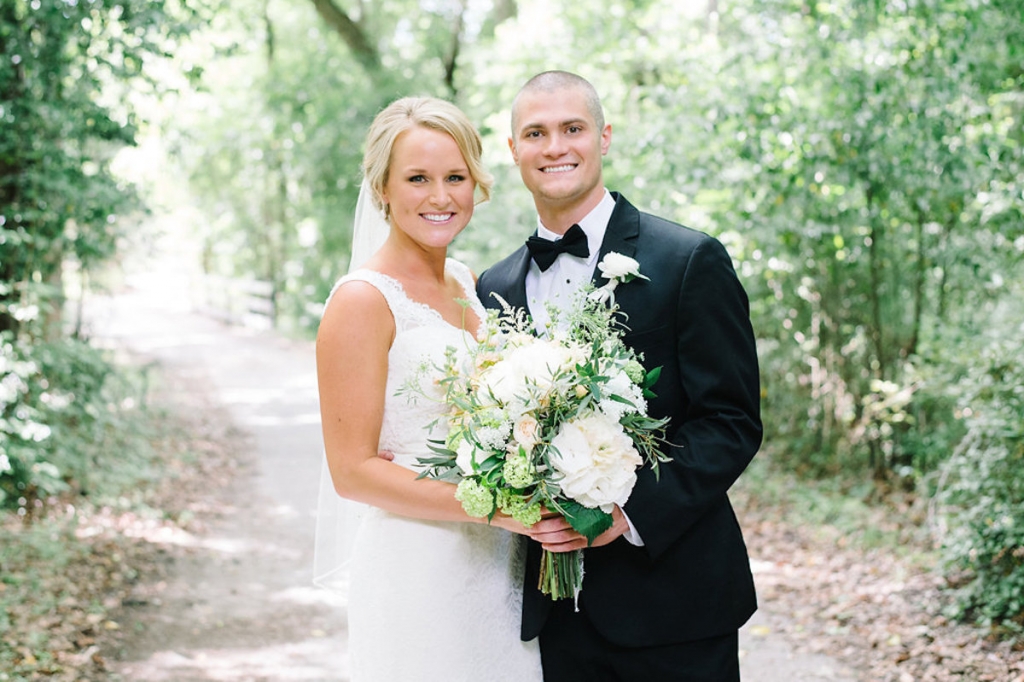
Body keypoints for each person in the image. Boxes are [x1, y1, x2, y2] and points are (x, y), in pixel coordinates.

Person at [477, 71, 763, 681]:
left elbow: (732, 422)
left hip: (676, 607)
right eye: (536, 133)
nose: (555, 147)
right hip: (555, 619)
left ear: (603, 137)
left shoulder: (688, 260)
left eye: (572, 128)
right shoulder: (493, 287)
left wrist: (626, 517)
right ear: (513, 150)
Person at [314, 96, 543, 682]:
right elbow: (353, 471)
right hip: (417, 566)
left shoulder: (468, 282)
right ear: (383, 189)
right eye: (418, 178)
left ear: (476, 184)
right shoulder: (363, 300)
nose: (440, 197)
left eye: (455, 177)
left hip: (498, 563)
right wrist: (497, 506)